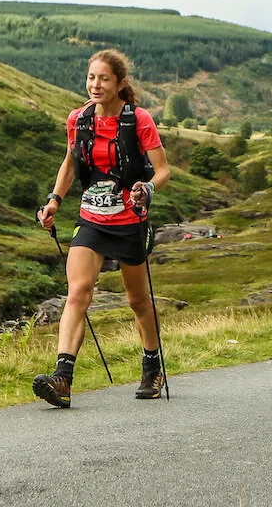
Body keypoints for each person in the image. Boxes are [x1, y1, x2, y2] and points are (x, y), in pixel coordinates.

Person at [32, 49, 171, 408]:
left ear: (120, 83)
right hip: (91, 218)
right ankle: (62, 378)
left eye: (104, 78)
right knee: (78, 291)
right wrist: (54, 201)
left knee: (138, 301)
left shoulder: (138, 119)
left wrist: (147, 188)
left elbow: (163, 169)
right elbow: (69, 163)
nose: (96, 84)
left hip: (129, 221)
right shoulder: (78, 120)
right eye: (92, 77)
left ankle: (151, 366)